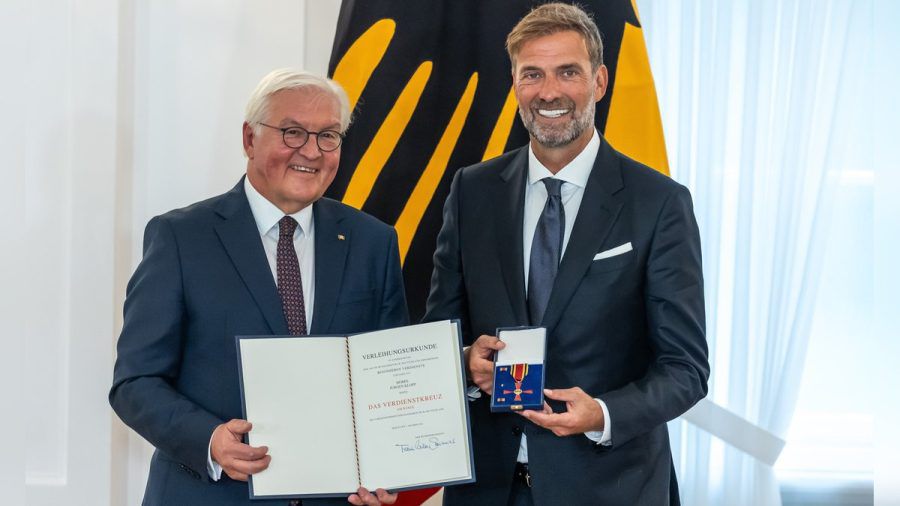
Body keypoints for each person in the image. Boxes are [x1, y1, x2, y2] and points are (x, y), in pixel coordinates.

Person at [423, 4, 709, 505]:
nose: (549, 92)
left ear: (599, 82)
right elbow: (438, 333)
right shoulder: (472, 191)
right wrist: (466, 362)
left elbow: (685, 368)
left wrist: (601, 412)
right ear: (513, 84)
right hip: (487, 489)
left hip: (611, 487)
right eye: (532, 74)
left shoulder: (659, 202)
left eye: (567, 72)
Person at [110, 69, 407, 506]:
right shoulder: (181, 238)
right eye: (292, 132)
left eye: (329, 136)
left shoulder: (373, 241)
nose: (312, 151)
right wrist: (209, 439)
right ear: (249, 139)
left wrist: (387, 468)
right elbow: (135, 382)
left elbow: (389, 379)